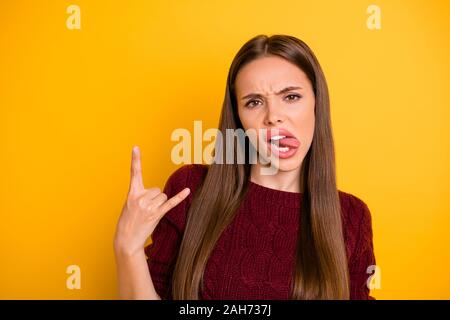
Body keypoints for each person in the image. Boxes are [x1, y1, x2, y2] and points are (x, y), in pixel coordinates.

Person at [113, 34, 376, 300]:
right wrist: (128, 249)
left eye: (291, 97)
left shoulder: (352, 217)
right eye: (254, 102)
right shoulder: (189, 190)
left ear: (318, 103)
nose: (273, 116)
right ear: (238, 118)